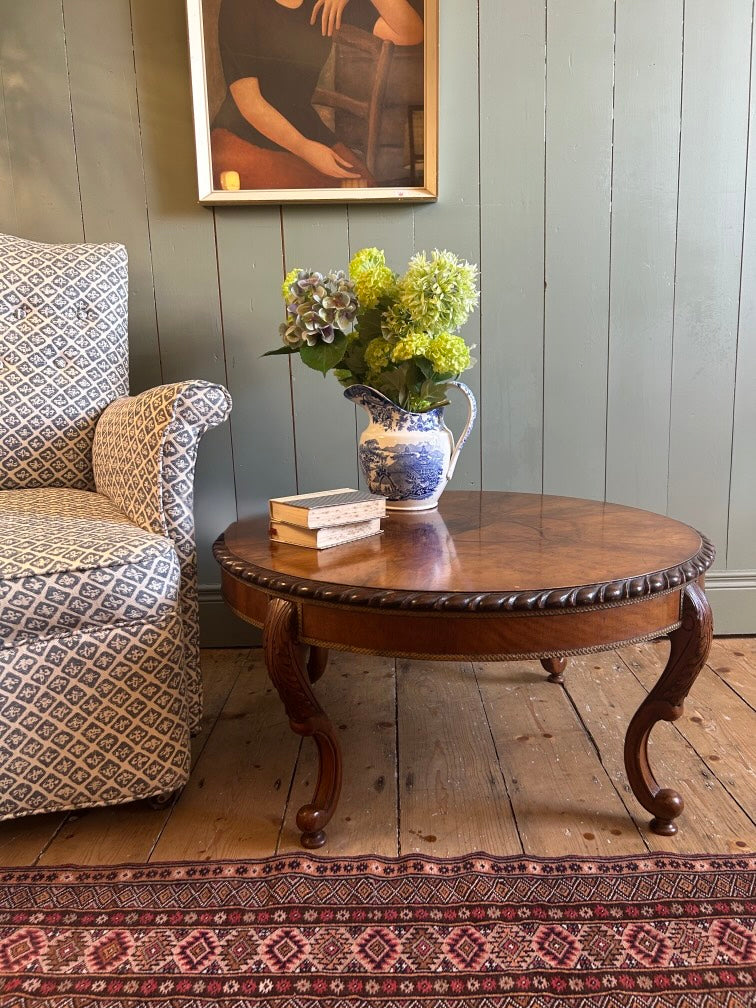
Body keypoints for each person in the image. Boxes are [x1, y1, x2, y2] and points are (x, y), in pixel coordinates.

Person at [210, 0, 424, 190]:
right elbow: (250, 103)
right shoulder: (239, 4)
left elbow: (411, 32)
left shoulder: (325, 3)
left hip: (307, 127)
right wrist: (305, 149)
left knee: (363, 190)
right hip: (243, 133)